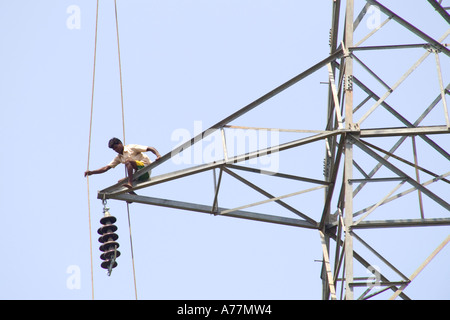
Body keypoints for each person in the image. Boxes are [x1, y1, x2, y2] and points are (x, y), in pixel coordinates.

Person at [85, 137, 162, 189]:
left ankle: (130, 183)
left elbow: (149, 148)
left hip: (145, 169)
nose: (115, 150)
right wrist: (92, 172)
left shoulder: (131, 147)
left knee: (128, 162)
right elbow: (106, 168)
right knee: (120, 182)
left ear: (120, 143)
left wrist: (158, 155)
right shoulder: (119, 157)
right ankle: (131, 194)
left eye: (116, 147)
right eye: (114, 149)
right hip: (139, 175)